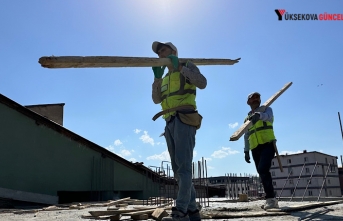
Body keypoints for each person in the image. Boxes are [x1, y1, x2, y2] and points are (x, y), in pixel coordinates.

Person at [151, 41, 207, 221]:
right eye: (159, 52)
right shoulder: (165, 76)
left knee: (183, 167)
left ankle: (181, 210)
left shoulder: (188, 65)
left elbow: (202, 83)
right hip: (170, 121)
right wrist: (157, 79)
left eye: (164, 50)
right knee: (177, 170)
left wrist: (181, 67)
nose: (160, 54)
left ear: (174, 51)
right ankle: (192, 211)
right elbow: (156, 99)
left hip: (185, 117)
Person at [243, 92, 279, 210]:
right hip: (255, 147)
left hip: (268, 144)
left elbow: (268, 117)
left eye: (257, 98)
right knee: (261, 172)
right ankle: (270, 199)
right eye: (253, 98)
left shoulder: (267, 110)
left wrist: (259, 115)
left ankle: (271, 199)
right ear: (248, 102)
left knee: (263, 169)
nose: (255, 100)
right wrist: (246, 151)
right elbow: (246, 135)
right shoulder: (247, 118)